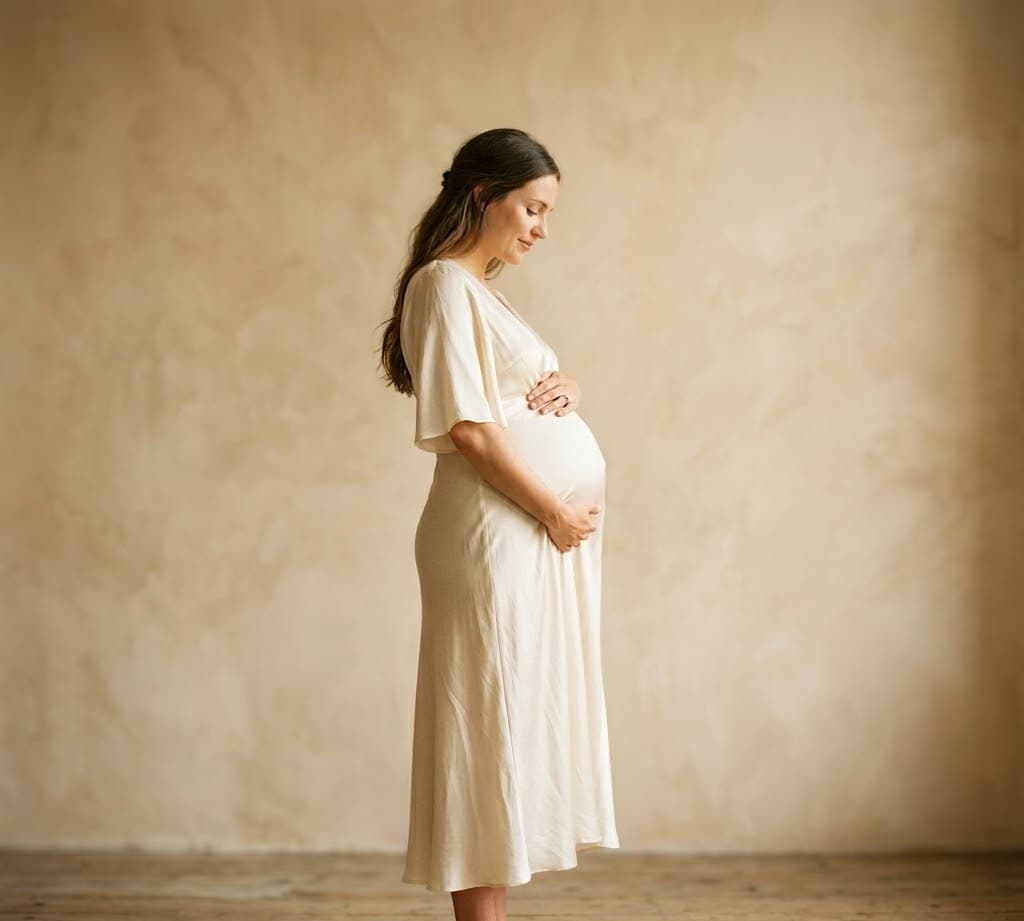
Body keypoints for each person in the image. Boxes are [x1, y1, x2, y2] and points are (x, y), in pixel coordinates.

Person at [378, 128, 620, 921]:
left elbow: (514, 390)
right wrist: (554, 509)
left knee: (506, 725)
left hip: (518, 533)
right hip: (493, 534)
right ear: (484, 194)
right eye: (532, 207)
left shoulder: (480, 290)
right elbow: (470, 431)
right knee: (484, 725)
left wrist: (567, 383)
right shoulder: (443, 285)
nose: (541, 228)